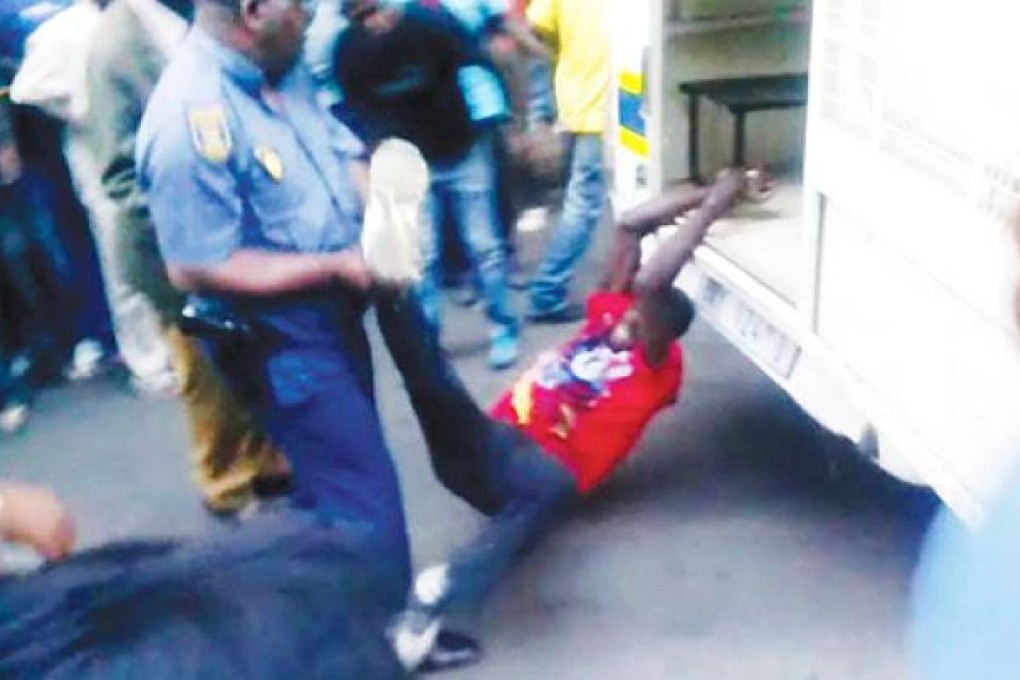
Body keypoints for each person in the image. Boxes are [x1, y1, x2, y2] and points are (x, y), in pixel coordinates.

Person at [374, 168, 771, 669]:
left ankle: (437, 595)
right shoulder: (611, 310)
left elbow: (650, 282)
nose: (624, 324)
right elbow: (630, 225)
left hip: (530, 476)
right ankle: (385, 287)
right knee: (430, 378)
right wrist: (712, 188)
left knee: (549, 484)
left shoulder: (659, 371)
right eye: (627, 315)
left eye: (638, 322)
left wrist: (717, 204)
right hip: (486, 446)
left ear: (660, 337)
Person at [136, 0, 416, 604]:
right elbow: (197, 265)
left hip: (332, 314)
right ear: (254, 10)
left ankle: (324, 620)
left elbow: (335, 152)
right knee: (361, 490)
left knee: (329, 483)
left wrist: (379, 221)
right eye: (300, 2)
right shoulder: (188, 118)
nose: (314, 12)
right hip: (281, 335)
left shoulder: (279, 68)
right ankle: (390, 633)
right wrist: (336, 264)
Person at [83, 0, 290, 518]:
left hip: (239, 234)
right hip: (174, 251)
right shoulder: (116, 46)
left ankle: (264, 460)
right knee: (209, 376)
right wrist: (194, 221)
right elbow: (120, 175)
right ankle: (224, 484)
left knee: (252, 356)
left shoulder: (201, 18)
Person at [335, 0, 521, 370]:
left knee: (485, 246)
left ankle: (504, 326)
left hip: (462, 149)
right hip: (407, 163)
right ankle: (430, 342)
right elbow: (355, 113)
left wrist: (501, 125)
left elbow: (478, 66)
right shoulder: (348, 52)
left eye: (377, 8)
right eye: (362, 16)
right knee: (425, 256)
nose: (375, 21)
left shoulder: (431, 23)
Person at [12, 0, 181, 395]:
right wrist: (80, 106)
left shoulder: (141, 11)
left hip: (147, 133)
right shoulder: (58, 29)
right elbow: (27, 89)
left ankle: (174, 340)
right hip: (95, 147)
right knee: (120, 248)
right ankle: (147, 360)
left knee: (161, 241)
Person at [524, 0, 611, 323]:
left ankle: (621, 285)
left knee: (585, 201)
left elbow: (535, 27)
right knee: (585, 205)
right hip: (605, 107)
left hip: (576, 98)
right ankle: (547, 293)